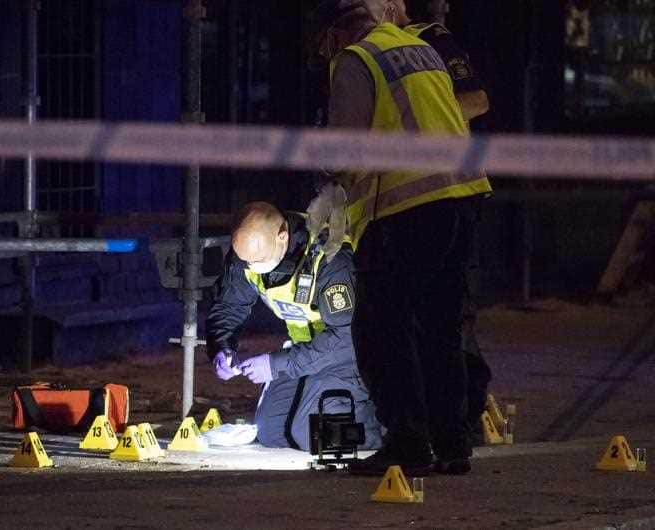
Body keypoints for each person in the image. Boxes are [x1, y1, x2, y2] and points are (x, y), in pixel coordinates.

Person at [307, 0, 493, 476]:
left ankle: (407, 442)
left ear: (333, 35)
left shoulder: (356, 59)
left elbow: (348, 147)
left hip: (405, 209)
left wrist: (328, 180)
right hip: (462, 196)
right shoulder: (419, 47)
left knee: (381, 328)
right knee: (439, 327)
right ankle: (452, 443)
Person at [206, 201, 381, 451]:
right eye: (246, 261)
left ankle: (392, 428)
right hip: (303, 352)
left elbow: (345, 337)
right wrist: (222, 348)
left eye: (259, 260)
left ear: (283, 236)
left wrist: (275, 364)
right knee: (271, 432)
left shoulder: (330, 256)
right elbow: (228, 305)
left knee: (318, 436)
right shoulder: (246, 255)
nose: (253, 267)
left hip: (348, 355)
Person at [402, 0, 494, 445]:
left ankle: (464, 415)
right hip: (405, 200)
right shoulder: (368, 51)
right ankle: (432, 419)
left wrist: (418, 124)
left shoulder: (429, 39)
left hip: (447, 195)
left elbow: (475, 100)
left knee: (448, 314)